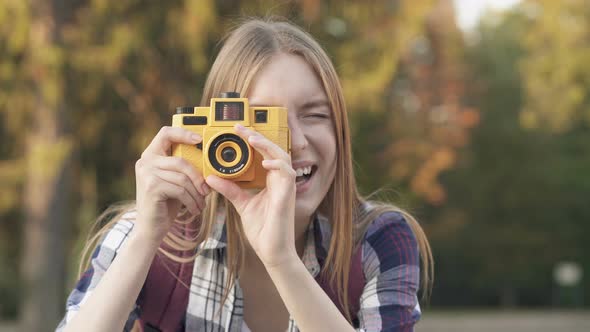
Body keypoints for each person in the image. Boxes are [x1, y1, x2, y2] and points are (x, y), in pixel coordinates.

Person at [57, 17, 433, 332]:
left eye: (315, 114)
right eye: (264, 122)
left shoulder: (376, 243)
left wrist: (282, 260)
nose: (294, 142)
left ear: (340, 131)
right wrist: (144, 239)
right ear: (212, 136)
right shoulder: (153, 237)